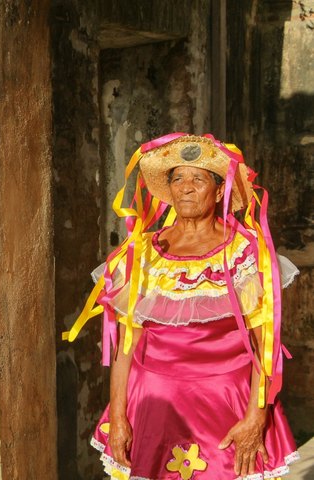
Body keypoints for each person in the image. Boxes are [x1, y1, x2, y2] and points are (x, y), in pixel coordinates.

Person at [64, 133, 300, 479]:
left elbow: (265, 343)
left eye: (198, 179)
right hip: (153, 406)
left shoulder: (247, 255)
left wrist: (256, 415)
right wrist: (118, 416)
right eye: (177, 178)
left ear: (220, 191)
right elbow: (125, 345)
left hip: (226, 405)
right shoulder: (142, 253)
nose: (186, 188)